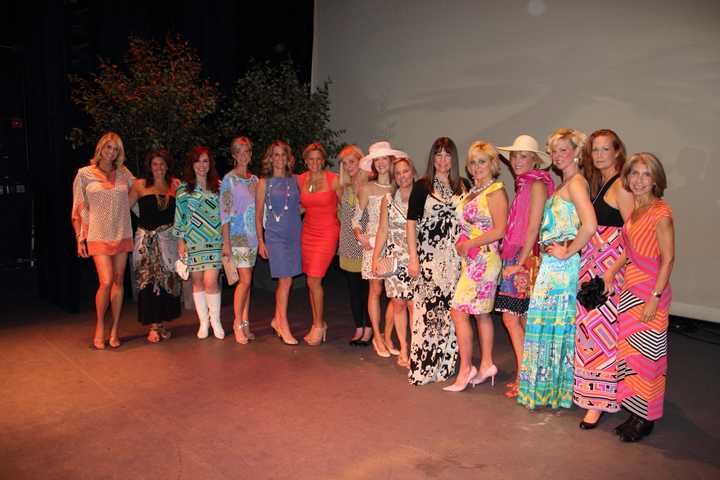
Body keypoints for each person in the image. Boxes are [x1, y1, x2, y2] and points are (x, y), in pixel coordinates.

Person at [517, 128, 597, 409]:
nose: (558, 155)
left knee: (555, 328)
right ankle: (549, 391)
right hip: (554, 266)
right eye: (554, 150)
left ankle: (554, 391)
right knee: (548, 326)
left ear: (577, 152)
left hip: (562, 267)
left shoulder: (576, 183)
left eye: (564, 149)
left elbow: (590, 225)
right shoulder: (566, 183)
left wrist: (567, 250)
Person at [603, 153, 674, 442]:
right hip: (630, 292)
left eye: (646, 175)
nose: (639, 180)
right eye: (634, 174)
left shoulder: (661, 213)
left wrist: (655, 298)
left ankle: (647, 418)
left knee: (649, 357)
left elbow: (668, 260)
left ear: (655, 179)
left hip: (650, 294)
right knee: (632, 356)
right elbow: (629, 251)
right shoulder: (635, 211)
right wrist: (610, 273)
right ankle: (634, 412)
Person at [573, 129, 634, 429]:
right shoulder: (601, 183)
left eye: (604, 149)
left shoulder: (622, 186)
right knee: (589, 332)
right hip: (592, 265)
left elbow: (634, 236)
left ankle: (599, 403)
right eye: (594, 150)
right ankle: (592, 395)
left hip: (608, 270)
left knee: (602, 335)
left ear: (617, 151)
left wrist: (611, 271)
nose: (598, 155)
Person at [444, 141, 508, 391]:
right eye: (473, 162)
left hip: (484, 260)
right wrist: (465, 243)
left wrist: (471, 243)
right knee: (481, 313)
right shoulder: (473, 191)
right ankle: (487, 364)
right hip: (470, 259)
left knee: (458, 311)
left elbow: (500, 229)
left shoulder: (495, 191)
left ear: (493, 164)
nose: (477, 167)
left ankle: (466, 368)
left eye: (483, 161)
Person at [495, 135, 555, 398]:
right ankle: (526, 373)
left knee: (514, 318)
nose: (517, 161)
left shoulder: (537, 185)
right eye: (514, 155)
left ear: (534, 160)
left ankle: (526, 375)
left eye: (523, 156)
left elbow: (534, 227)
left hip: (526, 258)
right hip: (518, 256)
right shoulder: (524, 184)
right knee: (518, 318)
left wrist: (519, 264)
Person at [406, 137, 468, 385]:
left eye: (447, 155)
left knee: (451, 314)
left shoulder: (462, 186)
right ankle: (424, 365)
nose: (443, 160)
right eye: (438, 155)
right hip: (429, 259)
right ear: (432, 158)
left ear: (453, 159)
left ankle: (446, 365)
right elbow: (411, 223)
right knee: (428, 314)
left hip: (455, 261)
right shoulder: (422, 186)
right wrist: (413, 258)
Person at [72, 132, 135, 350]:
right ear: (100, 148)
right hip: (97, 234)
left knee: (119, 281)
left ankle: (115, 329)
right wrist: (80, 238)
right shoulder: (84, 174)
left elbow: (139, 195)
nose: (111, 152)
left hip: (122, 232)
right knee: (106, 281)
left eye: (115, 149)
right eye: (108, 147)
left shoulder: (124, 173)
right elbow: (78, 208)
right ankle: (99, 326)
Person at [354, 141, 405, 357]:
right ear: (373, 164)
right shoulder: (366, 188)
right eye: (378, 160)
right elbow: (356, 219)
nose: (382, 163)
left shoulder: (399, 186)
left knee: (395, 295)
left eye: (385, 158)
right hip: (374, 245)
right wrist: (360, 237)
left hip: (395, 245)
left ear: (391, 161)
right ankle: (376, 336)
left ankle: (387, 335)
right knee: (376, 291)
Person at [129, 149, 181, 343]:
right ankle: (153, 326)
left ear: (167, 166)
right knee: (149, 282)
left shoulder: (175, 185)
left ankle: (162, 324)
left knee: (168, 281)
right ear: (149, 167)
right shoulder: (140, 185)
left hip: (169, 242)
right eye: (155, 164)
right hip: (146, 243)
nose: (158, 167)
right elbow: (127, 208)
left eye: (162, 164)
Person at [174, 146, 224, 340]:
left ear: (210, 164)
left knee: (211, 281)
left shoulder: (219, 186)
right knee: (197, 282)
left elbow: (226, 215)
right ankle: (203, 322)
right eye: (198, 161)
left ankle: (215, 321)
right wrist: (180, 241)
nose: (201, 165)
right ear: (192, 164)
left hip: (214, 240)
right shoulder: (183, 189)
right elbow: (179, 216)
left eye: (205, 161)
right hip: (193, 241)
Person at [255, 140, 302, 345]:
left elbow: (301, 206)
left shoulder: (296, 180)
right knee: (285, 280)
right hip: (275, 236)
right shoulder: (263, 183)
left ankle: (276, 319)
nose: (280, 158)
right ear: (270, 158)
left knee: (288, 279)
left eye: (283, 154)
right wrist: (260, 241)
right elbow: (257, 215)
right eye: (276, 154)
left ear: (288, 158)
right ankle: (283, 325)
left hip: (294, 234)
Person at [372, 156, 415, 367]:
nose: (402, 176)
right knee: (398, 304)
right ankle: (404, 349)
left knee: (414, 306)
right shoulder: (388, 200)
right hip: (395, 259)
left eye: (405, 171)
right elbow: (382, 230)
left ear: (413, 172)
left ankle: (417, 348)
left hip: (416, 259)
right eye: (397, 173)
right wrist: (375, 258)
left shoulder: (423, 197)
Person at [298, 143, 341, 346]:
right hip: (307, 233)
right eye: (310, 159)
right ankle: (318, 323)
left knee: (314, 279)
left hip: (327, 233)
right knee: (310, 281)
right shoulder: (300, 180)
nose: (314, 163)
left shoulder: (333, 180)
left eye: (318, 159)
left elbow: (346, 206)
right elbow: (299, 206)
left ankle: (318, 325)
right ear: (305, 161)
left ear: (323, 161)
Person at [221, 136, 259, 345]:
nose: (244, 155)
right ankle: (237, 323)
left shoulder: (255, 180)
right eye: (239, 152)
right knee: (244, 280)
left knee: (248, 282)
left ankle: (245, 322)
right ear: (234, 155)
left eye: (247, 151)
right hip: (237, 237)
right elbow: (225, 213)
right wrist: (226, 243)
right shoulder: (229, 179)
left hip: (252, 237)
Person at [336, 144, 371, 345]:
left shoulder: (370, 185)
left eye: (352, 161)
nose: (349, 166)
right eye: (345, 163)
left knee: (368, 291)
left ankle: (370, 329)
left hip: (366, 245)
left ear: (361, 161)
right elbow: (341, 217)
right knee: (353, 291)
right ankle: (359, 327)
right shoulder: (343, 188)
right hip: (349, 245)